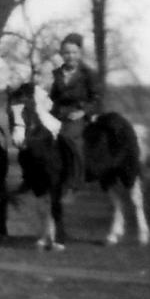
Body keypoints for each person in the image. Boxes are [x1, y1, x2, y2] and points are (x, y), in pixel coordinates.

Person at [50, 33, 99, 192]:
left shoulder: (88, 73)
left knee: (68, 136)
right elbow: (53, 97)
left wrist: (83, 112)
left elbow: (96, 98)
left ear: (80, 53)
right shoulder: (57, 74)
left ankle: (76, 180)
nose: (70, 56)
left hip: (78, 114)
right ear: (61, 54)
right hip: (58, 114)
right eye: (66, 52)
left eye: (74, 52)